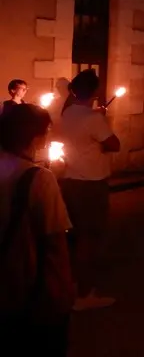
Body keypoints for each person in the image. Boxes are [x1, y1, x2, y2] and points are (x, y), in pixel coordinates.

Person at [0, 104, 74, 356]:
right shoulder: (39, 179)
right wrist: (62, 295)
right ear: (36, 137)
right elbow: (55, 240)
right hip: (27, 295)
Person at [57, 69, 120, 311]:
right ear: (94, 91)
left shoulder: (67, 114)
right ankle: (84, 295)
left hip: (70, 179)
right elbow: (114, 144)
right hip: (90, 182)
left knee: (73, 238)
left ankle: (71, 287)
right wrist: (101, 119)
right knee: (88, 238)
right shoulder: (93, 118)